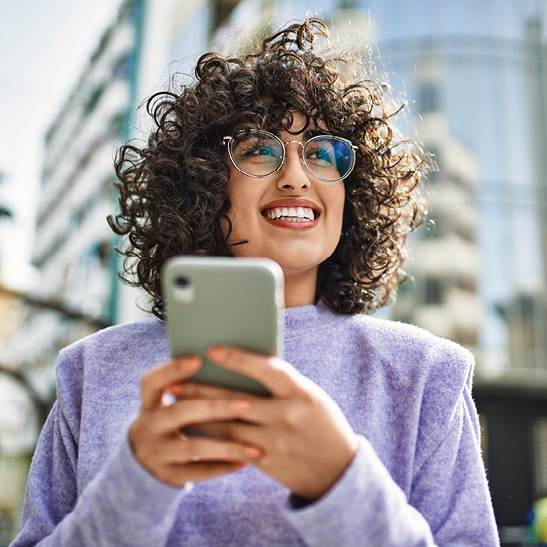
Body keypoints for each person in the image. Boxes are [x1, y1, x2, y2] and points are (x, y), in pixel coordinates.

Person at [12, 18, 499, 546]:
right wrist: (136, 486)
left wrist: (340, 482)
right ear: (203, 182)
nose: (296, 174)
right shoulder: (93, 372)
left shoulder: (427, 376)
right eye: (259, 150)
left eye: (323, 152)